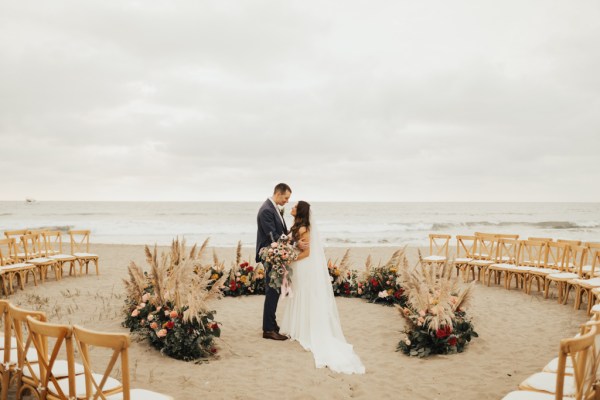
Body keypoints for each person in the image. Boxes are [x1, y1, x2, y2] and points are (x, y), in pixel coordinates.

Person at [280, 201, 365, 374]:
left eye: (295, 206)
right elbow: (295, 246)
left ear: (300, 211)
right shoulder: (297, 226)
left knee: (304, 295)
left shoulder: (304, 229)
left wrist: (290, 259)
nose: (292, 207)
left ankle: (304, 328)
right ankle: (299, 326)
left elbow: (307, 253)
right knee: (299, 295)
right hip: (298, 265)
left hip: (302, 266)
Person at [256, 183, 308, 340]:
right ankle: (268, 330)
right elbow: (274, 237)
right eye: (286, 197)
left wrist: (293, 240)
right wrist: (295, 244)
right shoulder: (266, 210)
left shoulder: (273, 208)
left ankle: (272, 325)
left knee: (275, 291)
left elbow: (282, 233)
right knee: (272, 291)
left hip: (276, 254)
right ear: (278, 194)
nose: (287, 201)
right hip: (271, 254)